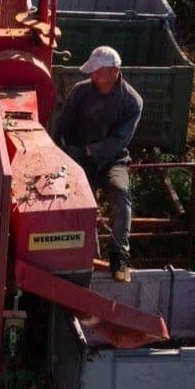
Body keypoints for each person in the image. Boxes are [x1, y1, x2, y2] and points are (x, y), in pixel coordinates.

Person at [51, 45, 143, 282]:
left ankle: (119, 256)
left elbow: (118, 140)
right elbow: (63, 126)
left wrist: (89, 150)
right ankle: (89, 255)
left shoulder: (132, 102)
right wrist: (59, 151)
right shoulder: (81, 92)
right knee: (84, 203)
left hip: (113, 160)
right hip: (80, 160)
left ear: (114, 71)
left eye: (97, 72)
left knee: (121, 193)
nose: (92, 76)